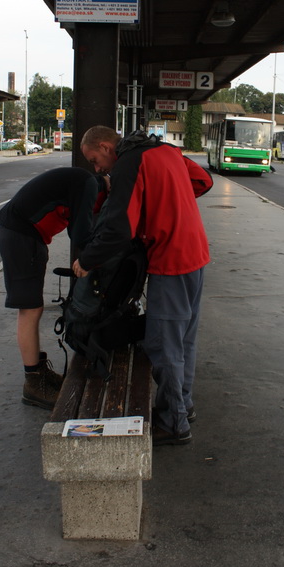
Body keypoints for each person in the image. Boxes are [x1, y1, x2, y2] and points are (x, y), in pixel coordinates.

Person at [73, 127, 213, 446]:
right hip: (197, 252)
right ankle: (183, 406)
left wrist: (88, 259)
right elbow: (203, 181)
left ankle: (173, 423)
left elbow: (120, 228)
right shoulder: (165, 150)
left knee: (162, 344)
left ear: (108, 147)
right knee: (184, 340)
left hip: (171, 259)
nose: (97, 169)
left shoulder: (128, 163)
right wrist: (170, 202)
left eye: (95, 160)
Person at [0, 167, 101, 410]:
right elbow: (80, 232)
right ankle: (33, 382)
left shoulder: (83, 180)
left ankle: (38, 372)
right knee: (30, 310)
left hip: (25, 235)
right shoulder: (89, 185)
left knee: (33, 308)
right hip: (22, 236)